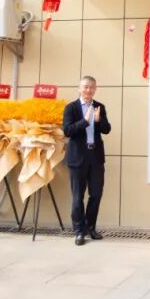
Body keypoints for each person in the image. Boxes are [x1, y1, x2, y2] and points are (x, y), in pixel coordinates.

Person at [62, 76, 111, 246]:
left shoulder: (99, 107)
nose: (88, 90)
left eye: (91, 87)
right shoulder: (71, 108)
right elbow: (67, 131)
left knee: (96, 194)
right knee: (77, 197)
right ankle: (79, 231)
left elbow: (107, 129)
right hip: (77, 157)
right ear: (79, 89)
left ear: (95, 89)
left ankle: (90, 227)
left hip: (95, 156)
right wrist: (84, 121)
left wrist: (98, 121)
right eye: (85, 87)